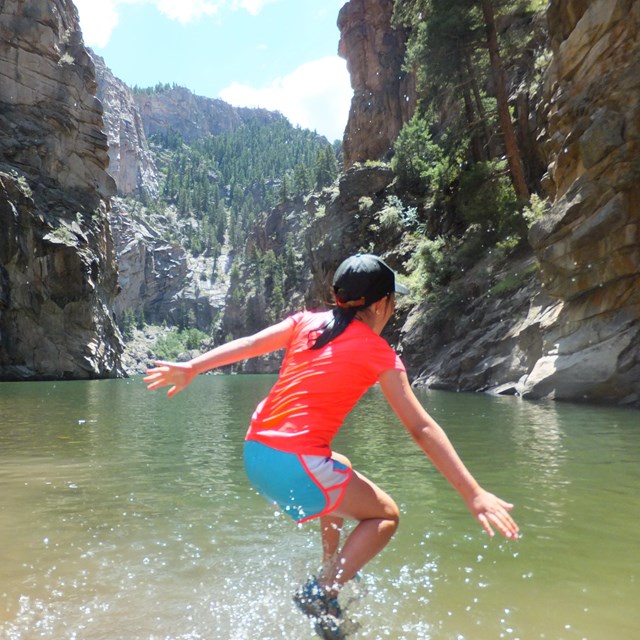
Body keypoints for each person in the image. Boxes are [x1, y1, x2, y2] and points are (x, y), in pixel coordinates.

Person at [144, 254, 519, 640]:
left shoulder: (305, 322)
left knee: (340, 462)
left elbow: (252, 344)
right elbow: (421, 428)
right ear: (379, 305)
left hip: (255, 453)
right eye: (394, 300)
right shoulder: (380, 354)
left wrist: (192, 367)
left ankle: (329, 567)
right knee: (386, 515)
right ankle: (322, 591)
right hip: (295, 464)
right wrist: (472, 493)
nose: (394, 307)